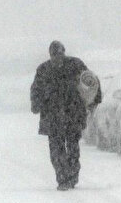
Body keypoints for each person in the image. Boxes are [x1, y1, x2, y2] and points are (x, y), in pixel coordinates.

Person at [30, 40, 101, 190]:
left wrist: (94, 98)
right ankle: (65, 177)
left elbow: (91, 81)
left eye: (59, 54)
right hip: (61, 116)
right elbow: (36, 90)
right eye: (55, 55)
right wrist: (36, 105)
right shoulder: (52, 68)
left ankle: (69, 176)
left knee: (68, 147)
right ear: (50, 55)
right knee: (60, 149)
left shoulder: (71, 66)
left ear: (63, 53)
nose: (57, 58)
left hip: (67, 115)